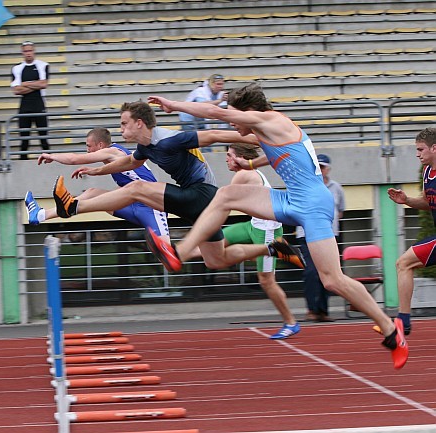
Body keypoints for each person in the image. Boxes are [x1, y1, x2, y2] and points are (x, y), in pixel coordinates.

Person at [146, 83, 408, 369]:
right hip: (291, 198)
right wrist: (251, 164)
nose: (233, 122)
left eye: (235, 115)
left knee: (332, 280)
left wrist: (175, 105)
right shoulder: (267, 128)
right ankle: (179, 252)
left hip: (312, 204)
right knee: (226, 195)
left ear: (250, 111)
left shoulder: (269, 119)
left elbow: (212, 112)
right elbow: (278, 151)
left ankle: (390, 329)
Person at [51, 100, 305, 273]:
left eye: (124, 123)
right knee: (215, 260)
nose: (121, 128)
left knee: (136, 190)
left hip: (202, 193)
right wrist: (96, 170)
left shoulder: (169, 139)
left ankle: (73, 207)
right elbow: (128, 163)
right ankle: (274, 248)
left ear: (140, 123)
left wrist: (263, 138)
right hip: (203, 204)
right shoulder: (144, 147)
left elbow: (215, 135)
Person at [25, 127, 170, 240]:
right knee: (92, 193)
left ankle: (67, 208)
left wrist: (52, 156)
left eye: (89, 146)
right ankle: (41, 215)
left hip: (152, 207)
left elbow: (75, 159)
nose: (87, 150)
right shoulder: (116, 157)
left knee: (167, 254)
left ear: (100, 145)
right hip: (134, 204)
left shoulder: (112, 152)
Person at [223, 143, 300, 339]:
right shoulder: (253, 173)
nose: (226, 159)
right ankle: (177, 253)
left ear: (240, 157)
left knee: (266, 281)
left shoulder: (243, 174)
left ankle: (291, 323)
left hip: (267, 229)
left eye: (229, 155)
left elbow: (223, 203)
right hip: (254, 225)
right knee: (218, 240)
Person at [386, 127, 436, 337]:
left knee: (403, 263)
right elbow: (427, 202)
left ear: (434, 148)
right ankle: (403, 321)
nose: (417, 154)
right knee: (404, 264)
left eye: (420, 149)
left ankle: (403, 321)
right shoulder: (427, 172)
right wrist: (406, 201)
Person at [296, 153, 345, 322]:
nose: (320, 170)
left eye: (322, 167)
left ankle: (323, 311)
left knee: (329, 274)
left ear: (328, 169)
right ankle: (311, 309)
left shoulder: (336, 187)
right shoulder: (303, 186)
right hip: (307, 236)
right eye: (317, 166)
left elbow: (340, 211)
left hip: (329, 236)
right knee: (311, 272)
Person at [11, 41, 50, 159]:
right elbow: (16, 90)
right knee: (24, 139)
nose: (28, 53)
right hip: (24, 106)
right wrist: (35, 85)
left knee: (43, 137)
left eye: (30, 50)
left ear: (34, 51)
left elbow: (44, 84)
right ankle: (22, 162)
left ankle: (49, 160)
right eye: (26, 51)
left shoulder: (43, 65)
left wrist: (26, 84)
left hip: (39, 104)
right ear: (22, 52)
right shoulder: (17, 68)